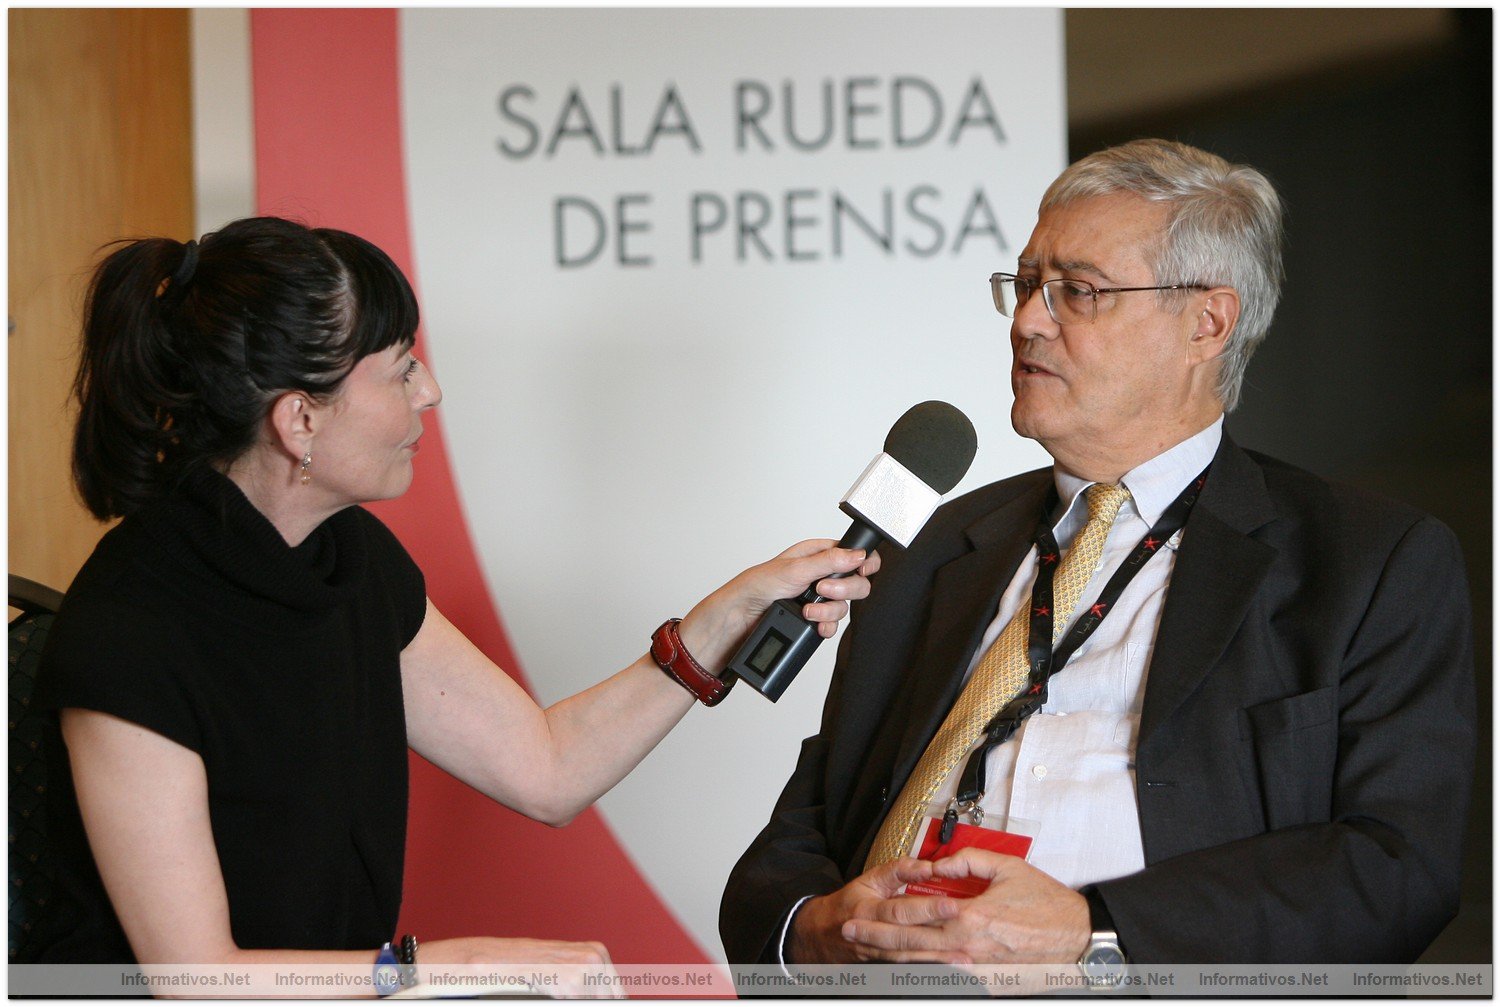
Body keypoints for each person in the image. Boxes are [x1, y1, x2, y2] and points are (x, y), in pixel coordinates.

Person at [32, 216, 879, 979]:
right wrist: (444, 966)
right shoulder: (130, 627)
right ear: (300, 421)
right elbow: (198, 978)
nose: (429, 390)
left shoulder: (348, 557)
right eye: (400, 370)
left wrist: (725, 618)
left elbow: (547, 766)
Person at [720, 139, 1475, 971]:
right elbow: (804, 832)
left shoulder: (1365, 562)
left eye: (1077, 291)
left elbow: (1395, 868)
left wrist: (1096, 936)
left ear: (1206, 323)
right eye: (1026, 284)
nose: (1026, 322)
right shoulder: (934, 550)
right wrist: (813, 930)